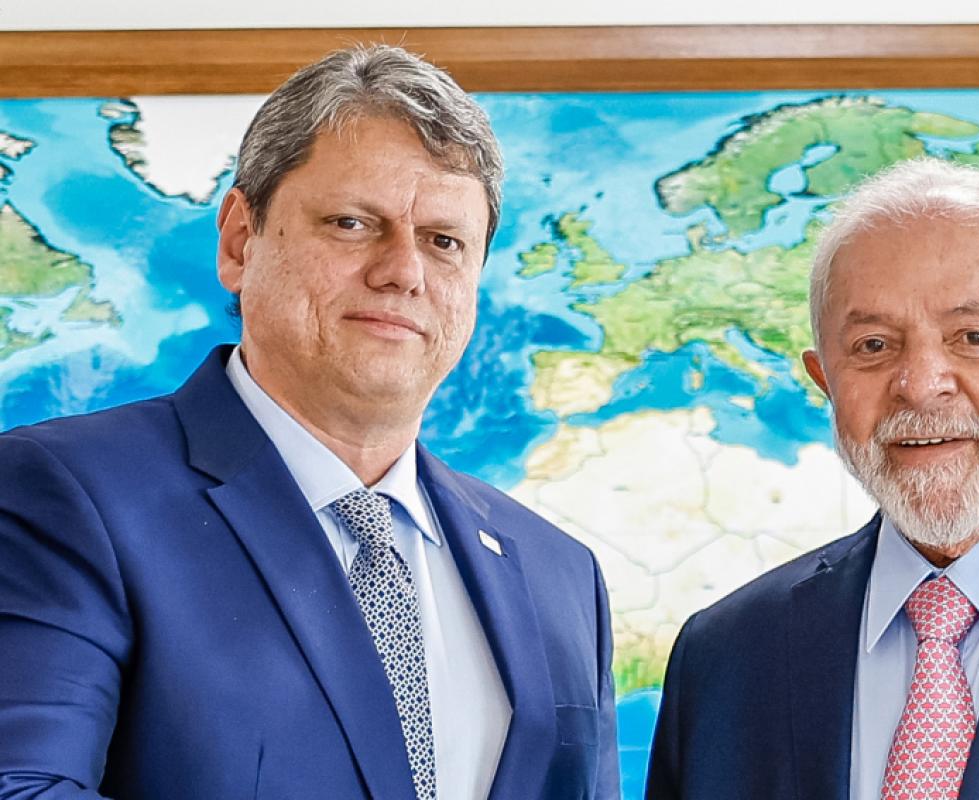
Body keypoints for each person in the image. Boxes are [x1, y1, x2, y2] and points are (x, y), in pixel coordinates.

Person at [0, 45, 618, 800]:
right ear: (240, 241)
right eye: (353, 223)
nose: (404, 271)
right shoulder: (64, 498)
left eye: (444, 242)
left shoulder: (561, 573)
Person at [646, 158, 979, 799]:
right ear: (825, 382)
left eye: (973, 337)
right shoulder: (726, 657)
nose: (919, 384)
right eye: (873, 346)